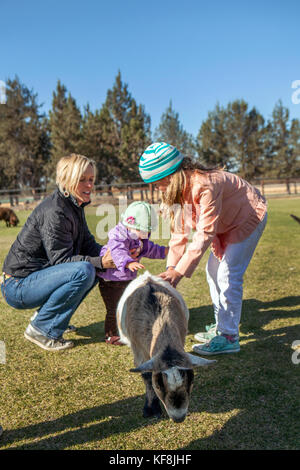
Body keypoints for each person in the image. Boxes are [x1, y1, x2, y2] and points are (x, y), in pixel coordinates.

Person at [138, 142, 267, 355]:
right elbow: (179, 234)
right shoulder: (180, 191)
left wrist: (179, 272)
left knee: (228, 273)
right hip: (226, 224)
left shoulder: (205, 184)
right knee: (212, 271)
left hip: (247, 217)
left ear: (170, 175)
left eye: (157, 182)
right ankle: (221, 326)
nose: (156, 188)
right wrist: (172, 267)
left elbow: (205, 233)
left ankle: (229, 337)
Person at [1, 154, 116, 352]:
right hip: (17, 285)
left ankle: (46, 317)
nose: (89, 185)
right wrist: (101, 262)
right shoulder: (55, 210)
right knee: (85, 270)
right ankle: (42, 329)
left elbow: (87, 243)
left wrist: (113, 253)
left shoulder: (74, 206)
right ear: (67, 180)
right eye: (82, 180)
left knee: (93, 267)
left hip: (34, 280)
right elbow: (61, 260)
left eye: (91, 180)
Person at [98, 201, 168, 345]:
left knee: (130, 305)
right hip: (111, 281)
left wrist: (165, 251)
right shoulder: (118, 236)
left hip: (127, 279)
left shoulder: (140, 238)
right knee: (114, 308)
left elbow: (151, 249)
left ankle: (128, 329)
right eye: (142, 231)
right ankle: (111, 335)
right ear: (129, 225)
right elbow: (118, 251)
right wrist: (128, 262)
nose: (145, 235)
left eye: (148, 232)